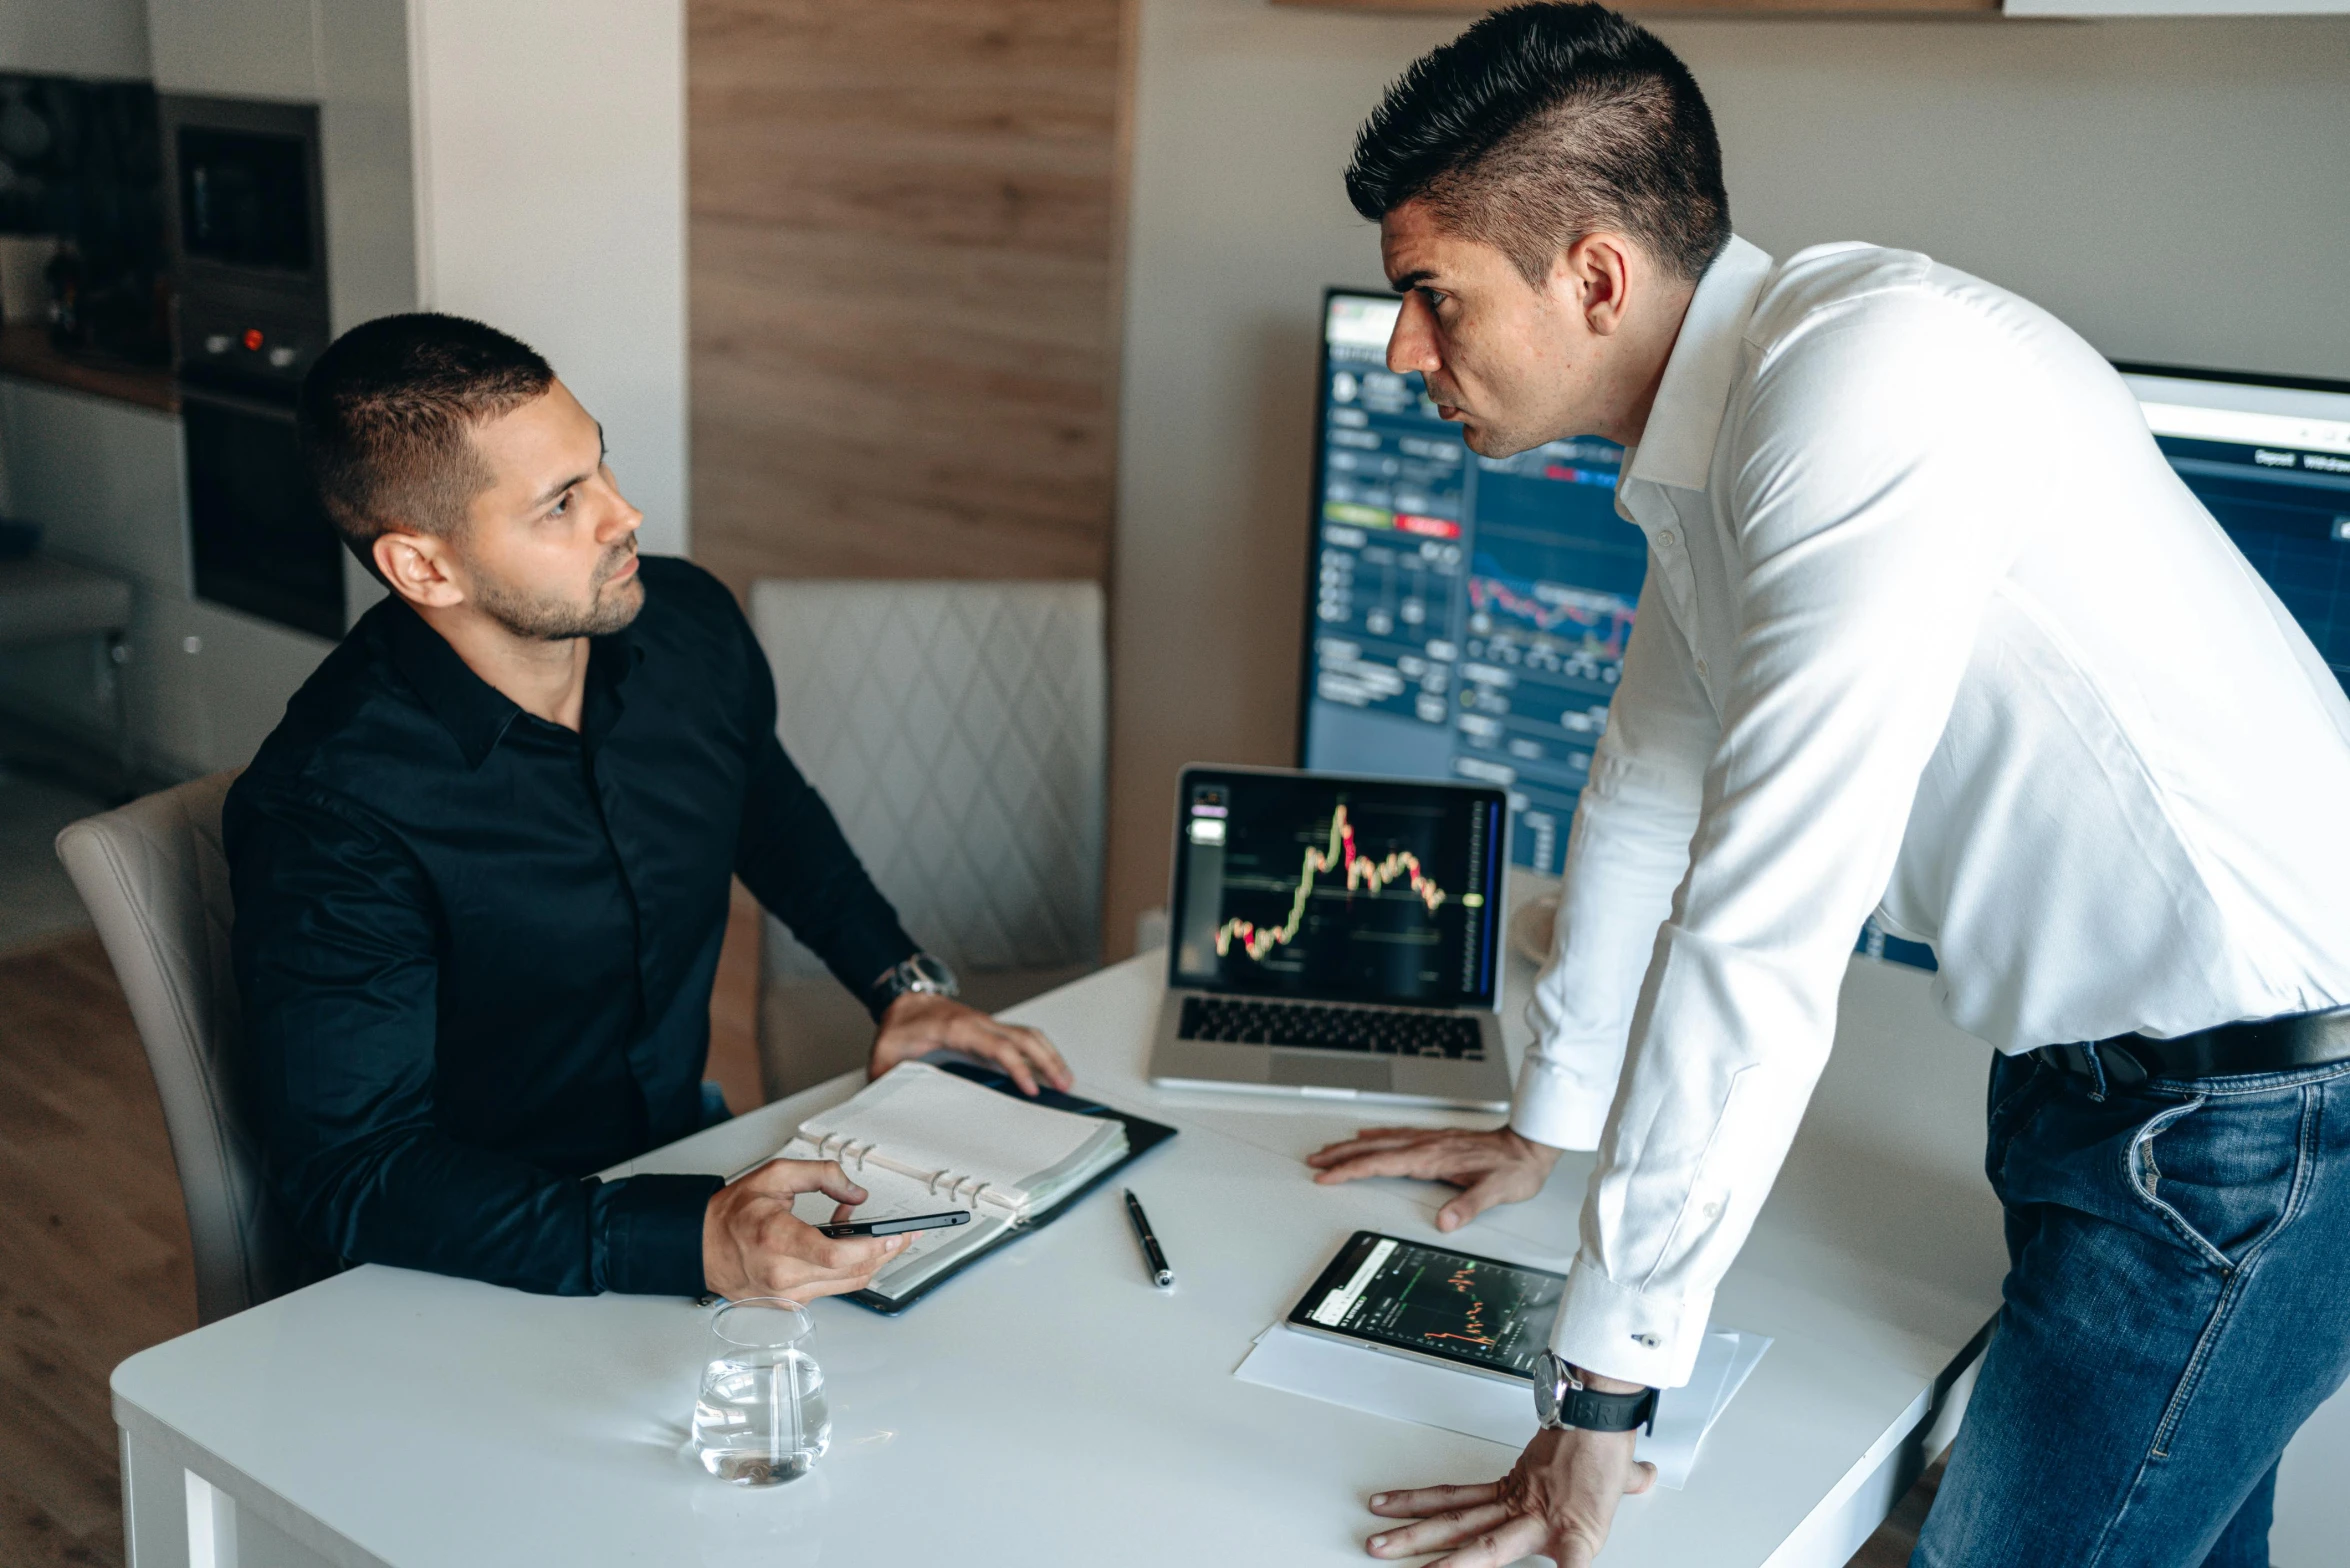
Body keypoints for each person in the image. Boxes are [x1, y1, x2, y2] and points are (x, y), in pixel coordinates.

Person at [1302, 7, 2350, 1566]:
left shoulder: (1862, 391)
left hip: (2254, 1114)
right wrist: (1552, 1118)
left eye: (1429, 295)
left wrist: (1601, 1398)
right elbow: (1648, 789)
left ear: (1592, 277)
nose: (1401, 349)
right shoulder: (1722, 436)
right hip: (2114, 1086)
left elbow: (1759, 928)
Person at [227, 312, 1073, 1308]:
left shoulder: (688, 629)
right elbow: (356, 1173)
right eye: (561, 504)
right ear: (424, 567)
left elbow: (767, 808)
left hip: (683, 1161)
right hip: (460, 1257)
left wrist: (900, 981)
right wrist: (690, 1238)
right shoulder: (328, 807)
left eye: (601, 467)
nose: (624, 514)